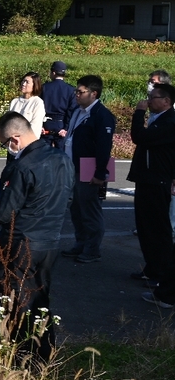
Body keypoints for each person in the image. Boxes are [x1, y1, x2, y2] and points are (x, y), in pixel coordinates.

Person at [0, 112, 75, 365]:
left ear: (15, 139)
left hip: (21, 243)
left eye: (4, 143)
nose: (6, 148)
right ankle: (45, 352)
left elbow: (6, 213)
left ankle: (21, 357)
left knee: (16, 301)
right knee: (40, 300)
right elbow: (69, 199)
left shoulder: (20, 167)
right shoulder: (63, 159)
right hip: (51, 241)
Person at [62, 75, 116, 263]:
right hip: (72, 165)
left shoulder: (102, 115)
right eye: (76, 91)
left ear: (94, 94)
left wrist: (100, 172)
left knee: (90, 208)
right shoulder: (79, 111)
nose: (76, 95)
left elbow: (104, 146)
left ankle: (92, 249)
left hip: (89, 167)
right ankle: (80, 243)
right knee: (76, 208)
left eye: (81, 92)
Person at [127, 83, 175, 287]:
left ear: (167, 101)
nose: (148, 101)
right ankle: (153, 266)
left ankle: (161, 271)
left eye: (153, 97)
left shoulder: (169, 122)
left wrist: (138, 113)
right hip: (148, 178)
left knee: (157, 228)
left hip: (157, 180)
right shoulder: (159, 119)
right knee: (146, 226)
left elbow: (140, 137)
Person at [41, 61, 76, 149]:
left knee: (44, 156)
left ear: (53, 72)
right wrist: (66, 128)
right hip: (61, 123)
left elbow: (38, 107)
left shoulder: (44, 87)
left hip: (46, 124)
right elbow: (71, 110)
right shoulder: (71, 90)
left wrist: (40, 125)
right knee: (61, 156)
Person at [8, 71, 46, 137]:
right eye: (23, 81)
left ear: (34, 85)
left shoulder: (37, 102)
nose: (23, 84)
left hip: (28, 141)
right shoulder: (15, 102)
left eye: (27, 82)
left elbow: (35, 126)